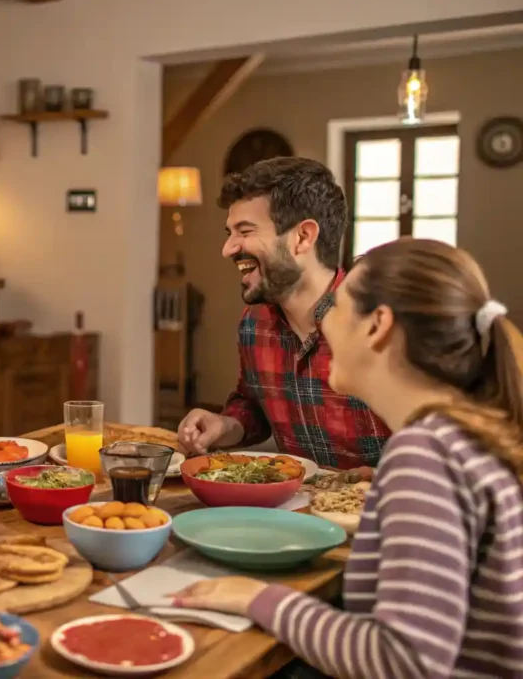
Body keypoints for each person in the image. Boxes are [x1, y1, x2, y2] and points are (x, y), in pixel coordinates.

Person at [173, 238, 523, 678]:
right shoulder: (466, 435)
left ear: (377, 325)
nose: (323, 328)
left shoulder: (425, 454)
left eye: (335, 309)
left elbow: (404, 660)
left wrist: (256, 598)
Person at [178, 157, 389, 469]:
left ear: (303, 237)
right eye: (229, 232)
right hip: (296, 510)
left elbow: (446, 446)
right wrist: (226, 425)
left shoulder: (382, 326)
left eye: (245, 231)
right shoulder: (254, 324)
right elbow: (253, 405)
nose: (228, 248)